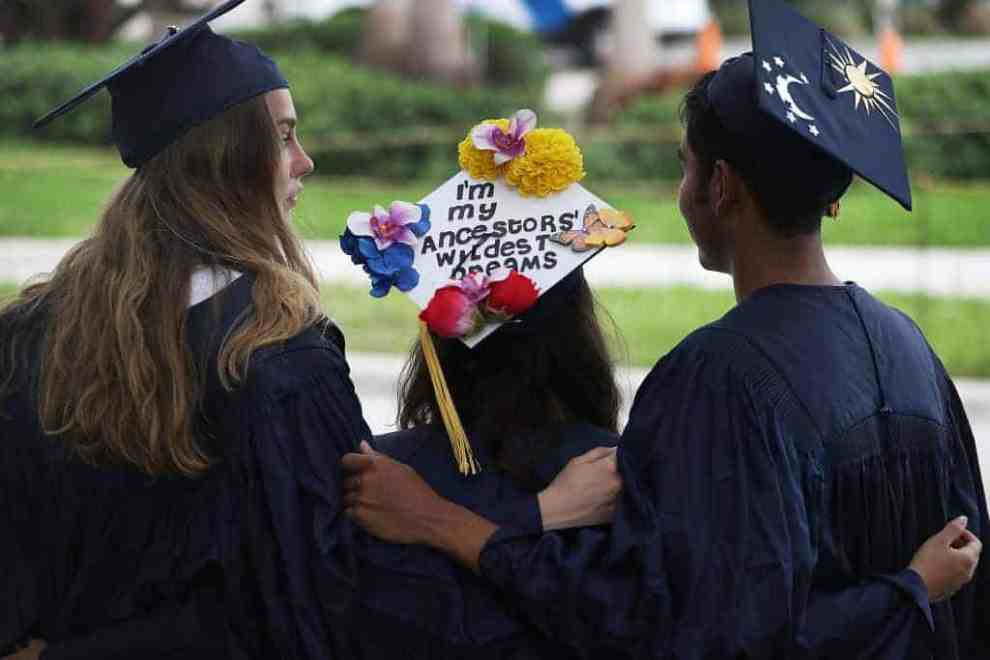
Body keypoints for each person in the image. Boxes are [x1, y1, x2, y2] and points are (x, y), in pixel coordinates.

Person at [342, 1, 988, 657]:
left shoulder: (719, 381)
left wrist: (455, 525)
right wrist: (911, 590)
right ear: (833, 194)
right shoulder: (911, 348)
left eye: (685, 165)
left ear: (722, 187)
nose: (682, 191)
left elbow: (679, 626)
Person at [0, 2, 621, 658]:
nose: (305, 161)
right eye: (285, 136)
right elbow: (330, 596)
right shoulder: (278, 363)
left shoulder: (28, 336)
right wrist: (535, 520)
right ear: (230, 160)